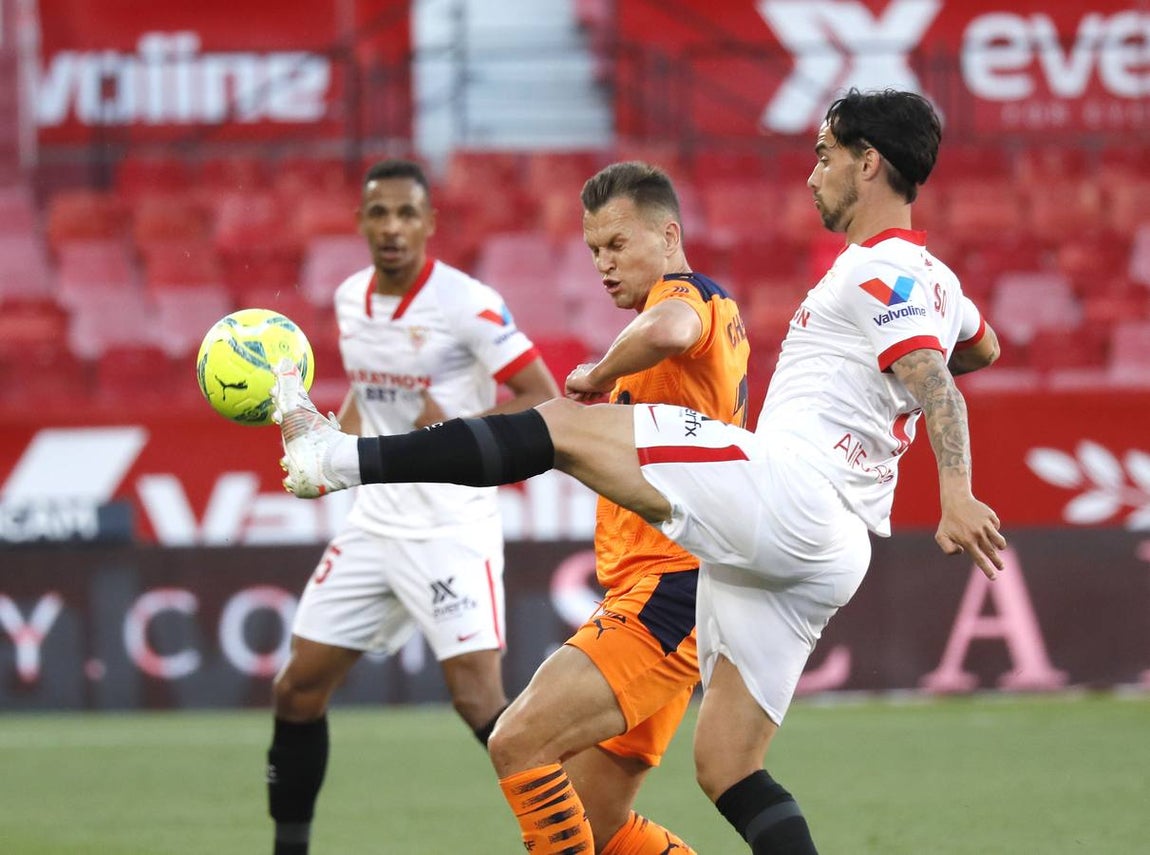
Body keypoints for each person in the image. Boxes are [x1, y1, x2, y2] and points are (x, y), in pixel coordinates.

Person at [272, 89, 1006, 854]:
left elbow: (928, 373)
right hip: (824, 547)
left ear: (869, 162)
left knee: (560, 427)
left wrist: (955, 490)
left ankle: (336, 458)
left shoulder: (862, 274)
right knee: (725, 767)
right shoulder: (931, 280)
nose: (811, 174)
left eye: (824, 154)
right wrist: (898, 367)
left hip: (791, 499)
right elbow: (977, 349)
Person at [265, 158, 559, 855]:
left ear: (429, 223)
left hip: (449, 526)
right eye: (378, 213)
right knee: (296, 690)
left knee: (483, 707)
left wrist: (457, 432)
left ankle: (576, 834)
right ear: (362, 222)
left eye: (406, 213)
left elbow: (542, 395)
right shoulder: (348, 301)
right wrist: (326, 450)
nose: (392, 227)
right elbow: (369, 394)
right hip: (374, 521)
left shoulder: (468, 303)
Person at [491, 160, 749, 853]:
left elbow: (670, 325)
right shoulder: (688, 327)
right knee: (597, 824)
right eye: (593, 251)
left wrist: (599, 372)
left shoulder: (691, 298)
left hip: (669, 592)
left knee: (517, 741)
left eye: (617, 244)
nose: (603, 265)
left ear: (668, 235)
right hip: (662, 592)